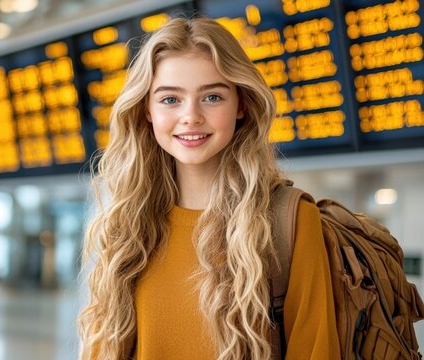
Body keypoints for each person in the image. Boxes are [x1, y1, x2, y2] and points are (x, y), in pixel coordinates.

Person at [77, 17, 340, 360]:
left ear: (241, 105)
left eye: (212, 96)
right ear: (147, 110)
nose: (191, 116)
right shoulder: (124, 224)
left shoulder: (288, 220)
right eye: (170, 99)